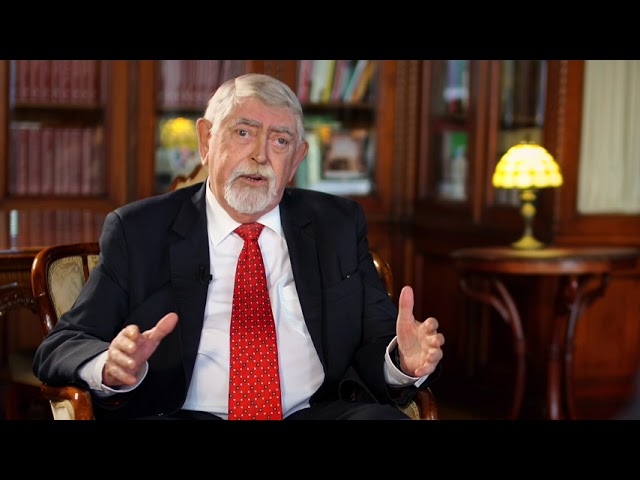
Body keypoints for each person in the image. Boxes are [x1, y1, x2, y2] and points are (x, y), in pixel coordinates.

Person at [32, 73, 445, 420]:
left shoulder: (336, 224)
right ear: (206, 140)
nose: (260, 155)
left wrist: (402, 362)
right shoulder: (139, 230)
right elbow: (63, 344)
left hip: (312, 412)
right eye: (243, 132)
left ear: (297, 159)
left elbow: (379, 342)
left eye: (280, 141)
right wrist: (112, 365)